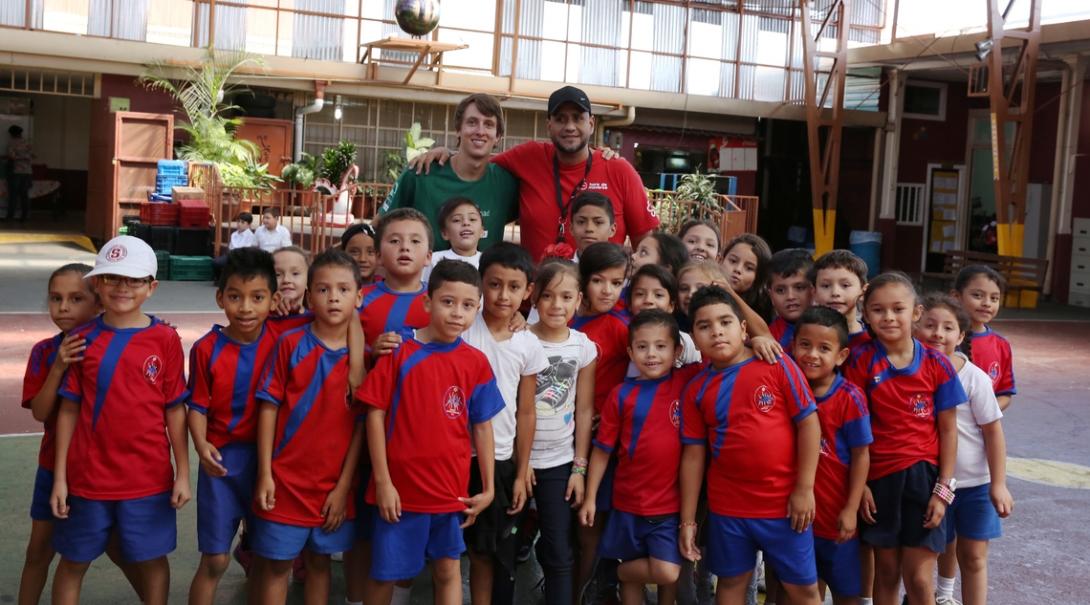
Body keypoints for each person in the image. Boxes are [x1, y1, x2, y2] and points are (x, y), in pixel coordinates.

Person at [49, 236, 191, 605]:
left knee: (151, 560)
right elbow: (68, 410)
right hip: (87, 479)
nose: (122, 287)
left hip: (148, 479)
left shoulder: (165, 339)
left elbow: (175, 409)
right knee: (73, 562)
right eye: (112, 278)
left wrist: (183, 472)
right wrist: (61, 478)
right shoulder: (81, 340)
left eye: (133, 280)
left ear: (151, 287)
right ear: (97, 283)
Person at [357, 259, 506, 605]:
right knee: (384, 574)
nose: (457, 313)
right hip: (400, 494)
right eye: (448, 302)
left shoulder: (475, 362)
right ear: (428, 302)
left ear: (477, 309)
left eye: (468, 305)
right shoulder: (400, 352)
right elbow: (375, 416)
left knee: (448, 570)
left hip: (450, 492)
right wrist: (382, 482)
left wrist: (486, 487)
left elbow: (482, 427)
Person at [679, 285, 822, 605]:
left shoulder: (776, 363)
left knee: (804, 591)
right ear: (694, 336)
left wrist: (804, 488)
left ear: (743, 328)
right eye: (705, 326)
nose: (716, 332)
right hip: (729, 508)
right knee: (730, 585)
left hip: (784, 505)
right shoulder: (696, 390)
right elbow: (693, 456)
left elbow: (809, 424)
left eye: (725, 322)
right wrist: (688, 520)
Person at [414, 86, 659, 262]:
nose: (570, 126)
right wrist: (446, 152)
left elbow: (646, 244)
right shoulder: (528, 156)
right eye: (561, 119)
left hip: (599, 301)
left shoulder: (619, 170)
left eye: (578, 118)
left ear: (591, 123)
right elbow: (477, 162)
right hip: (535, 305)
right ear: (549, 125)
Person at [18, 264, 144, 605]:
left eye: (76, 298)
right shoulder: (45, 352)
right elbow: (42, 412)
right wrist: (59, 366)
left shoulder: (124, 345)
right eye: (56, 298)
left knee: (123, 549)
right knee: (39, 552)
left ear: (100, 300)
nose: (63, 307)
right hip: (53, 467)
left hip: (104, 471)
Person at [841, 272, 967, 605]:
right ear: (866, 315)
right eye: (878, 310)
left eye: (898, 308)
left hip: (924, 480)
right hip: (879, 479)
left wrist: (943, 489)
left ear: (916, 313)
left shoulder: (937, 363)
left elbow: (949, 430)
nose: (889, 317)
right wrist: (861, 484)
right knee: (885, 574)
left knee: (919, 579)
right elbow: (854, 428)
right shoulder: (861, 361)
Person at [251, 249, 367, 604]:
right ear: (308, 295)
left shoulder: (363, 361)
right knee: (276, 567)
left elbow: (362, 426)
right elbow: (268, 408)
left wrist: (343, 486)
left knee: (319, 564)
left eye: (344, 289)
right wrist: (266, 473)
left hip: (334, 488)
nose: (333, 297)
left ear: (359, 296)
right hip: (284, 482)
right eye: (323, 289)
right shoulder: (290, 344)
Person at [580, 310, 702, 605]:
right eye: (642, 346)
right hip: (628, 502)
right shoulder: (621, 395)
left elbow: (725, 351)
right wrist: (591, 497)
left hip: (668, 506)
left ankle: (618, 572)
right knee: (638, 577)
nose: (651, 354)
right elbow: (602, 450)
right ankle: (622, 575)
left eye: (661, 346)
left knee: (667, 573)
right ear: (630, 352)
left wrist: (759, 338)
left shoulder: (687, 380)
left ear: (678, 351)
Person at [186, 248, 285, 604]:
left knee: (267, 557)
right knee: (214, 560)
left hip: (271, 464)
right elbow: (196, 405)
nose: (245, 308)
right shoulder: (206, 349)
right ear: (220, 298)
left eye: (257, 298)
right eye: (235, 297)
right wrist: (200, 445)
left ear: (273, 300)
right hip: (222, 464)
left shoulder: (283, 339)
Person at [462, 243, 549, 605]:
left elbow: (526, 411)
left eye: (514, 287)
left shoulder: (527, 343)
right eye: (494, 284)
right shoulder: (462, 326)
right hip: (453, 455)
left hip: (499, 458)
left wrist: (521, 468)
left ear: (528, 291)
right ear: (481, 284)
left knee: (488, 551)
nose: (503, 295)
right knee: (448, 550)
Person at [915, 294, 1012, 605]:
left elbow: (993, 432)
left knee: (973, 557)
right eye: (929, 325)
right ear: (916, 326)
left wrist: (998, 484)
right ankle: (941, 596)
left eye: (947, 327)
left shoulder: (975, 378)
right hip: (929, 483)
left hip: (974, 485)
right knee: (931, 552)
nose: (937, 334)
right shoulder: (909, 374)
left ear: (961, 335)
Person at [793, 306, 873, 605]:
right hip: (796, 517)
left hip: (836, 516)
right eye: (805, 345)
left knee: (845, 591)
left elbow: (862, 455)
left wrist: (851, 508)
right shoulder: (787, 390)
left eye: (824, 348)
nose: (812, 354)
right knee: (799, 588)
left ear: (841, 356)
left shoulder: (850, 397)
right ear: (793, 346)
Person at [528, 260, 597, 605]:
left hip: (559, 461)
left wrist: (579, 467)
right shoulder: (519, 340)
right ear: (534, 299)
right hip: (516, 459)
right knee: (504, 548)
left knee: (559, 550)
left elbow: (584, 408)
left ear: (578, 300)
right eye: (548, 296)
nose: (557, 305)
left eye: (566, 296)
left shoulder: (583, 346)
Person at [382, 93, 518, 251]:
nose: (480, 131)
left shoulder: (506, 183)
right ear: (458, 130)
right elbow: (379, 226)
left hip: (482, 275)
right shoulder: (420, 172)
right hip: (424, 275)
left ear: (498, 137)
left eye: (488, 124)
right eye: (472, 122)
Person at [952, 265, 1016, 411]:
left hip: (980, 429)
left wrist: (987, 412)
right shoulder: (942, 340)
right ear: (956, 297)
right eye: (978, 295)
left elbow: (1005, 394)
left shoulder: (1001, 345)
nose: (987, 303)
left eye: (994, 298)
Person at [625, 264, 701, 370]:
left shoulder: (685, 341)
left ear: (671, 305)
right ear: (629, 303)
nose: (648, 300)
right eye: (640, 294)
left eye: (658, 295)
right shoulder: (623, 336)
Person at [811, 250, 871, 353]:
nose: (835, 293)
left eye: (845, 285)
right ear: (814, 292)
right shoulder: (806, 336)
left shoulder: (872, 340)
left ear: (863, 291)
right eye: (826, 286)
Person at [424, 196, 486, 283]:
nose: (466, 223)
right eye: (456, 220)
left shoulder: (489, 262)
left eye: (472, 219)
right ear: (445, 233)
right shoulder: (433, 260)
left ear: (482, 231)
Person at [768, 249, 816, 351]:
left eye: (799, 288)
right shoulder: (769, 339)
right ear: (771, 296)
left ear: (814, 289)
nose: (790, 297)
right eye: (780, 290)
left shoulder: (831, 328)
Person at [570, 192, 618, 257]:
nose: (589, 229)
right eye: (581, 222)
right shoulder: (560, 266)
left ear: (612, 229)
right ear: (571, 228)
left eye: (598, 222)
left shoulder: (623, 267)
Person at [5, 124, 33, 222]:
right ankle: (24, 216)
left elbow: (12, 156)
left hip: (16, 171)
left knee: (13, 195)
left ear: (11, 134)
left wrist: (18, 157)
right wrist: (25, 157)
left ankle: (10, 216)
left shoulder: (11, 143)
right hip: (28, 172)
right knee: (24, 195)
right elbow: (31, 155)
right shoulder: (27, 142)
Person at [272, 246, 309, 316]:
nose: (286, 280)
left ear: (308, 280)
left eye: (295, 273)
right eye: (277, 274)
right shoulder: (260, 317)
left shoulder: (317, 319)